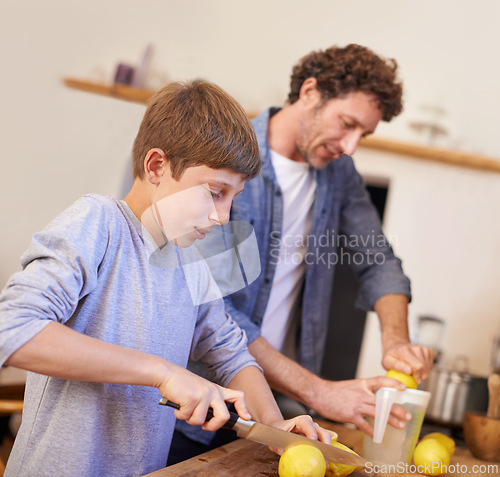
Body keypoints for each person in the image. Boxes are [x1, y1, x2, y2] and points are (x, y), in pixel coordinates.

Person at [0, 80, 332, 476]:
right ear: (156, 166)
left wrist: (273, 427)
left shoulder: (190, 259)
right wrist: (164, 372)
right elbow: (12, 329)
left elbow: (228, 350)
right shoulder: (99, 223)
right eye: (214, 192)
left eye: (233, 197)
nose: (223, 216)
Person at [170, 44, 434, 462]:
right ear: (310, 91)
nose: (350, 146)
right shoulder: (229, 161)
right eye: (347, 124)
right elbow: (216, 309)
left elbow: (379, 260)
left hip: (276, 409)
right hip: (199, 409)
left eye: (363, 134)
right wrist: (319, 392)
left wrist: (396, 340)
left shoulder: (339, 173)